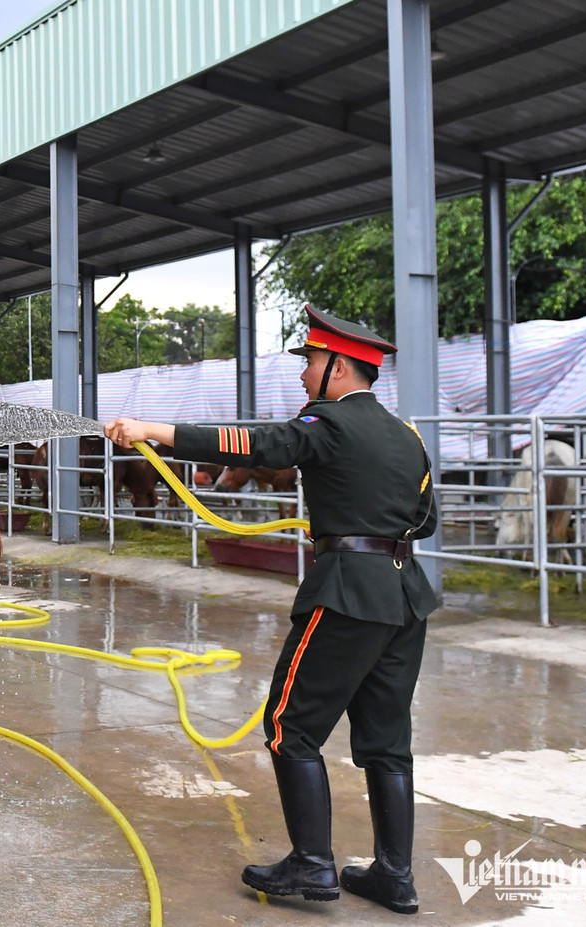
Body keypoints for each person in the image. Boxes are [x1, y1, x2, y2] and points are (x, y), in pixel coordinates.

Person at [105, 304, 437, 915]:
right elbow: (427, 520)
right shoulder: (407, 436)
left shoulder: (327, 421)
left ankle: (312, 866)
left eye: (311, 361)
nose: (304, 374)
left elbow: (259, 444)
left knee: (291, 728)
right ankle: (395, 874)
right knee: (388, 744)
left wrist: (155, 429)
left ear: (340, 368)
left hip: (347, 594)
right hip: (404, 596)